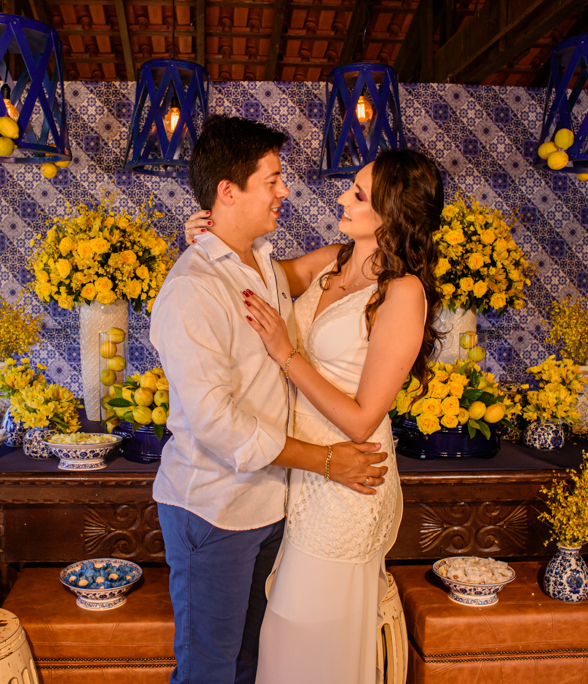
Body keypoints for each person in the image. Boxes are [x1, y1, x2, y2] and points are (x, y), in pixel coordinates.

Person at [184, 148, 444, 682]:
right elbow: (253, 277)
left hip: (347, 476)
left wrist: (287, 355)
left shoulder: (404, 292)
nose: (343, 198)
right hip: (299, 468)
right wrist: (214, 238)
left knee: (310, 633)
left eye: (359, 194)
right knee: (280, 631)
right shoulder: (331, 260)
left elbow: (362, 419)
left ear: (392, 212)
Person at [149, 115, 390, 684]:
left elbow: (355, 262)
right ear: (228, 191)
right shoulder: (192, 289)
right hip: (215, 508)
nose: (285, 191)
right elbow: (218, 425)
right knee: (209, 671)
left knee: (251, 666)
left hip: (273, 504)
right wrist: (326, 461)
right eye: (273, 180)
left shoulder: (263, 265)